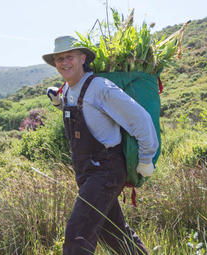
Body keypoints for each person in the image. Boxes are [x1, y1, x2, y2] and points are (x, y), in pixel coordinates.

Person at [43, 35, 158, 255]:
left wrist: (145, 159)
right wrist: (59, 103)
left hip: (106, 171)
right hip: (86, 172)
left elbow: (140, 119)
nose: (64, 62)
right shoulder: (67, 89)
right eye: (59, 59)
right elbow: (85, 114)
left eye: (70, 57)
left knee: (77, 235)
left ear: (83, 58)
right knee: (114, 234)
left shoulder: (101, 87)